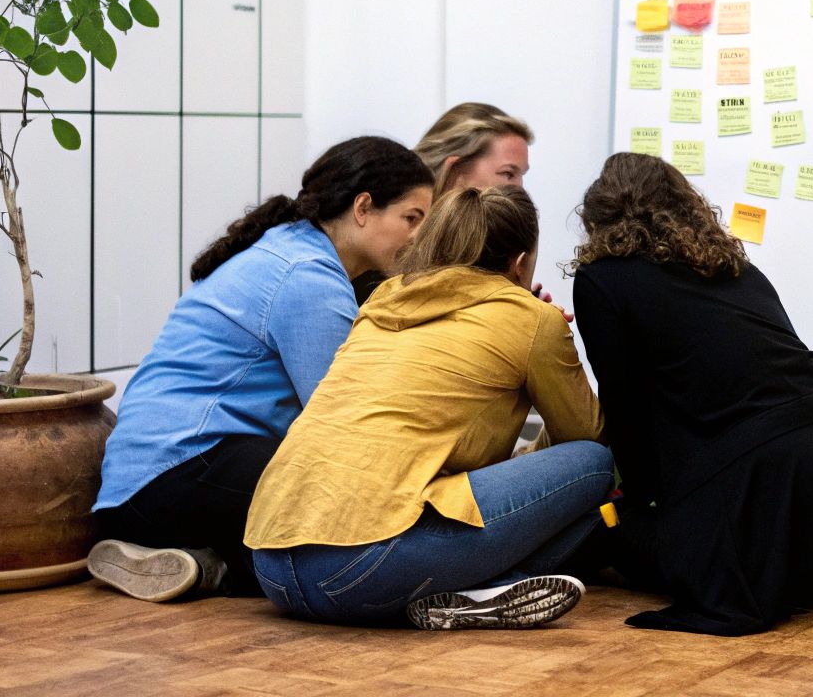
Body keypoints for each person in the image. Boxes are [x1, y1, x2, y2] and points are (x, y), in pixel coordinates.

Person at [568, 152, 813, 636]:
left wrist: (642, 499)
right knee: (768, 547)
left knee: (627, 539)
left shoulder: (601, 280)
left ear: (598, 220)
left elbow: (624, 403)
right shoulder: (734, 266)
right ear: (685, 206)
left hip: (774, 479)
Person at [244, 185, 611, 630]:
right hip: (358, 573)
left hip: (270, 565)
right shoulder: (531, 318)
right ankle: (487, 590)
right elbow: (583, 436)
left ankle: (475, 593)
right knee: (594, 467)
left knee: (576, 513)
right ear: (519, 263)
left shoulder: (386, 297)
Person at [88, 136, 435, 602]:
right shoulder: (308, 276)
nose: (418, 237)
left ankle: (201, 566)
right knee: (352, 541)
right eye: (411, 219)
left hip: (137, 491)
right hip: (176, 476)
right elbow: (342, 421)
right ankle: (210, 562)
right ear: (363, 207)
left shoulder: (289, 248)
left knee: (326, 538)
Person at [352, 102, 541, 305]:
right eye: (507, 174)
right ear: (454, 170)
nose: (519, 189)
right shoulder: (393, 238)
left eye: (521, 175)